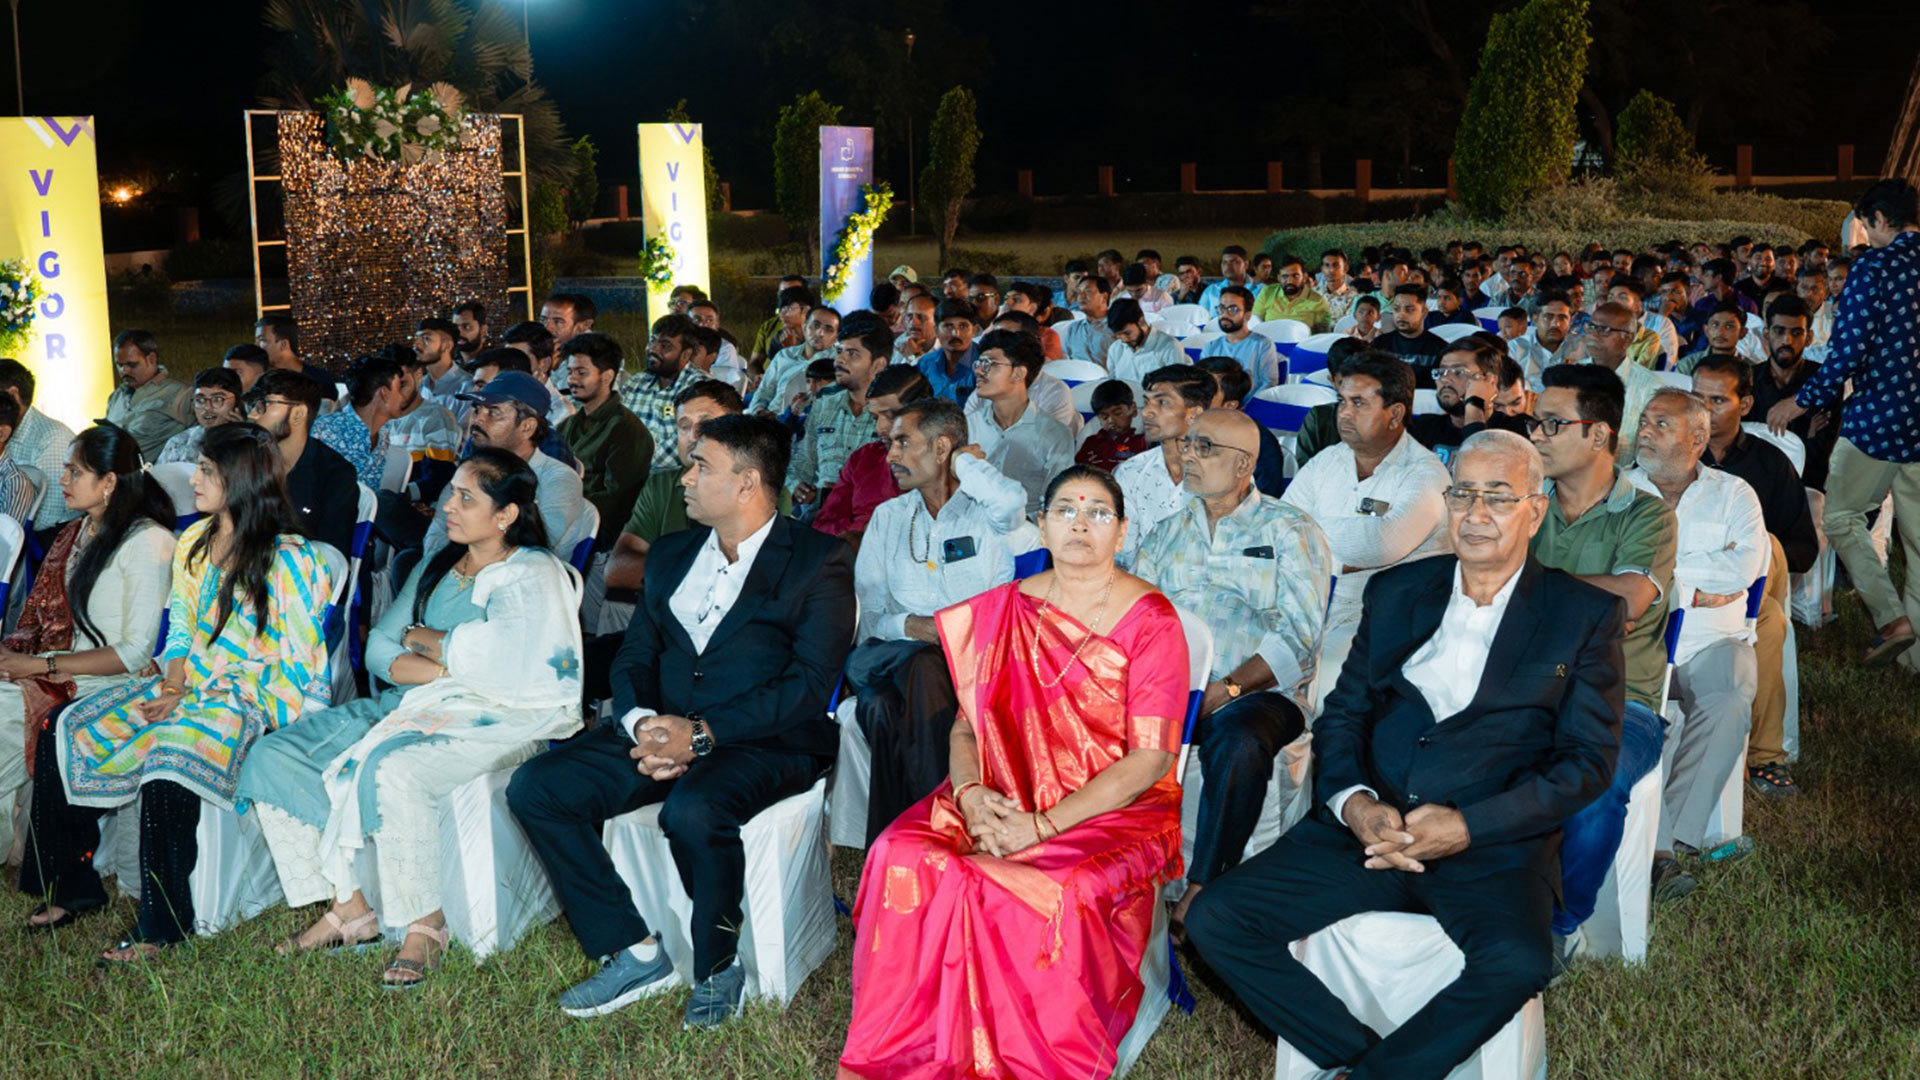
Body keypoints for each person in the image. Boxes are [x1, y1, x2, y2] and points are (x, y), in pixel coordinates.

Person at [1187, 430, 1624, 1080]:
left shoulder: (1582, 613)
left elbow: (1586, 763)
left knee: (1518, 961)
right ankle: (1363, 1059)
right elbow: (1344, 717)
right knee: (1216, 919)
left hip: (1490, 845)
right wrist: (1354, 804)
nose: (1476, 514)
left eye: (1498, 497)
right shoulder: (1398, 591)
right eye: (1463, 495)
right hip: (1368, 831)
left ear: (1535, 511)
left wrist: (1468, 826)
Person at [838, 466, 1190, 1080]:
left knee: (1031, 887)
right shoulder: (1003, 608)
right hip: (998, 785)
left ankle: (1024, 1057)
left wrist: (1043, 824)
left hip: (1109, 806)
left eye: (1099, 513)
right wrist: (972, 795)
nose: (1081, 524)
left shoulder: (1153, 620)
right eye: (1066, 510)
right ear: (1042, 526)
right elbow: (966, 728)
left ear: (1123, 531)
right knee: (900, 853)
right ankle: (915, 1041)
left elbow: (1151, 758)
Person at [509, 414, 855, 1027]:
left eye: (701, 466)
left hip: (765, 740)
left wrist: (700, 736)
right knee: (538, 787)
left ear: (748, 483)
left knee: (692, 811)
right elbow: (635, 656)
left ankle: (718, 966)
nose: (685, 479)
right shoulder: (670, 554)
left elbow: (806, 685)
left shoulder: (817, 560)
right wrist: (644, 724)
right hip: (661, 726)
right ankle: (634, 949)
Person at [239, 449, 584, 987]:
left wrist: (429, 645)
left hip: (494, 715)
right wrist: (434, 666)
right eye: (451, 493)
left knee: (393, 769)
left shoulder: (533, 575)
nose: (447, 505)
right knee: (272, 755)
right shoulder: (440, 564)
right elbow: (381, 644)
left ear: (506, 515)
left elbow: (511, 662)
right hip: (408, 701)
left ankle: (426, 923)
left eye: (465, 498)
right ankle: (350, 905)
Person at [26, 423, 333, 958]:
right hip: (186, 684)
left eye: (206, 471)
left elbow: (296, 661)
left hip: (252, 698)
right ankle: (73, 886)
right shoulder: (195, 541)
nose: (193, 480)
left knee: (170, 757)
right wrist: (173, 684)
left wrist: (208, 693)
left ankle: (163, 926)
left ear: (239, 479)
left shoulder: (292, 558)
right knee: (65, 724)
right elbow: (182, 634)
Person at [1135, 409, 1332, 937]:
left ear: (1244, 465)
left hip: (1258, 693)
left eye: (1205, 447)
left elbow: (1299, 635)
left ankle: (1202, 887)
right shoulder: (1166, 533)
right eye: (1187, 444)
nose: (1188, 455)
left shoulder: (1290, 529)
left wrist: (1224, 690)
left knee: (1240, 739)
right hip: (1171, 687)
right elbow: (1137, 619)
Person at [1523, 363, 1680, 944]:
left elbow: (1628, 600)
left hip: (1618, 700)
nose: (1536, 435)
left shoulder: (1648, 515)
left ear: (1598, 435)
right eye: (1534, 423)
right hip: (1522, 687)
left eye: (1552, 424)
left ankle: (1560, 926)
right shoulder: (1524, 505)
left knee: (1596, 786)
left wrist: (1522, 584)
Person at [849, 398, 1032, 845]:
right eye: (890, 445)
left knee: (881, 710)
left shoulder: (985, 517)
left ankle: (893, 842)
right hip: (887, 657)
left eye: (902, 442)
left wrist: (965, 465)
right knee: (923, 663)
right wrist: (915, 627)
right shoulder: (889, 518)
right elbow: (870, 617)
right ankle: (940, 827)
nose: (890, 456)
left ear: (942, 447)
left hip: (971, 666)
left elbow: (1011, 502)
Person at [2, 424, 173, 877]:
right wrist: (21, 661)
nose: (62, 480)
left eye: (74, 472)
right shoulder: (76, 533)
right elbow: (40, 621)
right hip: (58, 666)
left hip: (111, 681)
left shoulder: (148, 542)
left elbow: (135, 653)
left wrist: (37, 665)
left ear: (109, 482)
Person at [1627, 389, 1767, 875]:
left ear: (1698, 439)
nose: (1645, 431)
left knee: (1729, 695)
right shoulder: (1620, 491)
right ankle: (1660, 854)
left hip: (1713, 640)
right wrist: (1694, 587)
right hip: (1638, 641)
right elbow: (1615, 576)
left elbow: (1742, 568)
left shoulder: (1734, 493)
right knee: (1621, 707)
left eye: (1661, 424)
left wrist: (1664, 581)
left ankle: (1666, 842)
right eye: (1645, 421)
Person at [1283, 353, 1452, 710]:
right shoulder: (1328, 460)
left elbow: (1379, 544)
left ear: (1395, 414)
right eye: (1342, 401)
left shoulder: (1425, 473)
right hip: (1313, 605)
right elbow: (1280, 529)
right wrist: (1336, 554)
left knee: (1327, 684)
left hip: (1386, 618)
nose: (1344, 413)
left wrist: (1309, 536)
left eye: (1358, 403)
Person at [1692, 355, 1811, 799]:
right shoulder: (1673, 458)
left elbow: (1804, 549)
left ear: (1744, 404)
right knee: (1771, 619)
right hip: (1687, 584)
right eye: (1697, 399)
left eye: (1717, 401)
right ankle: (1762, 756)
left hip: (1749, 587)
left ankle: (1762, 757)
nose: (1704, 411)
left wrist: (1748, 553)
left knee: (1769, 554)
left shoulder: (1769, 465)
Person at [601, 382, 744, 599]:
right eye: (684, 426)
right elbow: (618, 570)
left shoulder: (758, 488)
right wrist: (704, 572)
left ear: (737, 429)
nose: (693, 436)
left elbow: (747, 577)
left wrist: (662, 566)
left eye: (706, 424)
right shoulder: (661, 485)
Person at [423, 372, 586, 559]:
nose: (477, 420)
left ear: (526, 427)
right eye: (477, 410)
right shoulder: (472, 470)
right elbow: (438, 533)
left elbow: (533, 551)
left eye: (493, 412)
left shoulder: (558, 480)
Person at [244, 370, 359, 556]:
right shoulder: (247, 460)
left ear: (298, 414)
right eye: (252, 406)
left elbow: (332, 556)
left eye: (264, 405)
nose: (252, 415)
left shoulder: (335, 475)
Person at [813, 364, 929, 544]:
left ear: (921, 412)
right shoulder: (863, 458)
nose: (880, 428)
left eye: (891, 416)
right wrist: (858, 534)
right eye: (875, 417)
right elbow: (825, 523)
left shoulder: (939, 463)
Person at [559, 332, 654, 549]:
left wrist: (561, 506)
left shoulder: (626, 429)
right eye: (570, 372)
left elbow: (617, 499)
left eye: (581, 372)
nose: (572, 380)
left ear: (607, 376)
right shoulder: (568, 425)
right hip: (566, 522)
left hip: (600, 535)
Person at [1116, 365, 1217, 565]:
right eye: (1146, 402)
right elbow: (1124, 554)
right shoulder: (1130, 472)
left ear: (1194, 414)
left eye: (1162, 402)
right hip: (1143, 580)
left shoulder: (1224, 474)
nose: (1147, 412)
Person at [966, 328, 1075, 513]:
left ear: (1018, 373)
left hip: (1027, 527)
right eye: (978, 363)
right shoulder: (968, 426)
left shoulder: (1054, 434)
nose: (978, 370)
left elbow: (1057, 502)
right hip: (974, 522)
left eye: (989, 364)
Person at [792, 312, 891, 514]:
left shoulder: (891, 416)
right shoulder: (823, 405)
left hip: (868, 518)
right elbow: (802, 461)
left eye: (852, 354)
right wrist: (796, 485)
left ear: (878, 365)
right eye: (839, 351)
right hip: (820, 514)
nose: (840, 360)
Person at [1747, 294, 1839, 491]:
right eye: (1779, 331)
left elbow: (1818, 456)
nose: (1786, 340)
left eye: (1796, 333)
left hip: (1806, 485)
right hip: (1754, 483)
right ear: (1766, 334)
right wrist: (1805, 438)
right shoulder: (1748, 380)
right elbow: (1745, 446)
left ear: (1809, 338)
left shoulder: (1823, 383)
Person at [1409, 337, 1530, 459]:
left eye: (1459, 372)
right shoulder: (1422, 427)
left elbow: (1478, 464)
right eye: (1441, 372)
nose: (1445, 379)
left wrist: (1474, 404)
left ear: (1490, 380)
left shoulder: (1518, 429)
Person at [621, 314, 713, 472]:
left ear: (685, 355)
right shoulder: (635, 384)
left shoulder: (700, 388)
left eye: (665, 346)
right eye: (652, 341)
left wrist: (627, 462)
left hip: (674, 476)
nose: (653, 349)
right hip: (626, 471)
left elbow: (686, 446)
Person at [973, 310, 1082, 434]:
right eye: (995, 338)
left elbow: (1046, 440)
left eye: (1010, 339)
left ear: (1033, 343)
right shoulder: (985, 387)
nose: (999, 344)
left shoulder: (1054, 392)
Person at [1197, 356, 1288, 498]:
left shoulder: (1260, 444)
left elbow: (1264, 500)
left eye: (1205, 394)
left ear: (1229, 406)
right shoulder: (1176, 427)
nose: (1192, 399)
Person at [0, 360, 75, 530]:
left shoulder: (52, 437)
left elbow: (48, 518)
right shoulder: (10, 430)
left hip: (48, 536)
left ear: (13, 394)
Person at [311, 353, 403, 491]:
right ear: (384, 393)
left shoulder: (384, 433)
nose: (402, 397)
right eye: (399, 388)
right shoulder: (324, 431)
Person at [1582, 300, 1664, 445]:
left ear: (1628, 339)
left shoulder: (1651, 387)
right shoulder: (1570, 376)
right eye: (1591, 327)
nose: (1593, 335)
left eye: (1604, 330)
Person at [104, 329, 192, 459]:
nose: (124, 371)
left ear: (151, 359)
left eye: (132, 365)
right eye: (119, 365)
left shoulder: (181, 394)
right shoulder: (116, 396)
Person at [752, 305, 840, 415]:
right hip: (769, 418)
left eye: (828, 330)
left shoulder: (837, 364)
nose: (820, 333)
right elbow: (763, 393)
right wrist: (759, 412)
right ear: (804, 328)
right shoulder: (784, 355)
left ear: (836, 337)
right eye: (815, 325)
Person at [156, 367, 245, 466]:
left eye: (218, 399)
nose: (207, 407)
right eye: (200, 400)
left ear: (237, 403)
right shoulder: (179, 443)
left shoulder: (250, 444)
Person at [1209, 285, 1285, 393]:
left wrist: (1248, 404)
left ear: (1247, 315)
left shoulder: (1262, 345)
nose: (1225, 314)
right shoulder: (1211, 347)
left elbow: (1269, 383)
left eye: (1233, 309)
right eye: (1221, 308)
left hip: (1253, 403)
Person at [1373, 285, 1451, 385]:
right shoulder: (1379, 345)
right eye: (1396, 309)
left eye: (1409, 310)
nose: (1401, 315)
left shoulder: (1440, 349)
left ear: (1424, 312)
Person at [254, 315, 339, 403]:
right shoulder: (261, 381)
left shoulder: (320, 381)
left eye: (262, 340)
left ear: (283, 344)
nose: (256, 346)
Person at [915, 299, 980, 404]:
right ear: (936, 330)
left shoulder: (985, 363)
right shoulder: (925, 364)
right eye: (948, 326)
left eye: (963, 326)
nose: (955, 333)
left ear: (974, 330)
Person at [1106, 297, 1185, 383]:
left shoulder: (1169, 347)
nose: (1124, 340)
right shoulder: (1115, 349)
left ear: (1141, 321)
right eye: (1118, 335)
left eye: (1127, 333)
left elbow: (1177, 386)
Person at [1076, 379, 1147, 472]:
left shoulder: (1142, 443)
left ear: (1133, 409)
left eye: (1117, 413)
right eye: (1104, 416)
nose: (1110, 420)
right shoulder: (1090, 443)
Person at [1253, 254, 1333, 332]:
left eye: (1295, 276)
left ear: (1304, 277)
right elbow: (1254, 323)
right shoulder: (1267, 293)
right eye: (1285, 276)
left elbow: (1324, 334)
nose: (1290, 281)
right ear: (1278, 278)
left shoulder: (1318, 301)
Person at [748, 281, 811, 376]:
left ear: (805, 310)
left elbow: (806, 374)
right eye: (781, 310)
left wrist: (790, 350)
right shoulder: (779, 337)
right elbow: (772, 371)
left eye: (788, 309)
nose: (782, 314)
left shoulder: (815, 338)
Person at [1673, 301, 1746, 376]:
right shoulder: (1687, 365)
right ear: (1706, 330)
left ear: (1742, 332)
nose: (1720, 332)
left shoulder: (1749, 368)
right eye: (1715, 325)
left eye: (1729, 326)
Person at [686, 304, 750, 389]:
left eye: (709, 320)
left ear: (717, 323)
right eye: (696, 320)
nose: (702, 324)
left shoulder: (725, 348)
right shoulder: (679, 344)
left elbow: (724, 382)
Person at [1060, 276, 1118, 365]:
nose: (1081, 297)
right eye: (1079, 292)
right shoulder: (1074, 329)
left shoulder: (1116, 328)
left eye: (1088, 292)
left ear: (1104, 297)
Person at [414, 316, 472, 404]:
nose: (416, 344)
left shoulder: (467, 387)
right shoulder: (419, 385)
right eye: (417, 339)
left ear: (447, 346)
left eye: (426, 339)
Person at [1200, 244, 1256, 315]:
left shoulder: (1260, 290)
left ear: (1246, 265)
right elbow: (1200, 317)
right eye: (1224, 262)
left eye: (1234, 262)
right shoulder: (1211, 291)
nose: (1228, 266)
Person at [891, 291, 939, 365]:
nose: (913, 322)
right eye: (909, 316)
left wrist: (914, 357)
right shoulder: (900, 343)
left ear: (937, 322)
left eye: (921, 317)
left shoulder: (947, 348)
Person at [1318, 249, 1360, 322]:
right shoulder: (1313, 294)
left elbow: (1348, 324)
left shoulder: (1354, 299)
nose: (1331, 270)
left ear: (1345, 268)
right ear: (1322, 269)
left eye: (1336, 265)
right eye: (1327, 265)